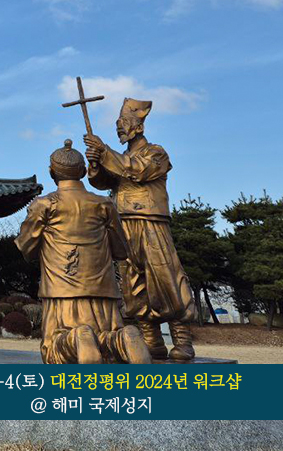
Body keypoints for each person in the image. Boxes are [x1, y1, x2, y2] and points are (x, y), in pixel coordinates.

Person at [16, 140, 151, 365]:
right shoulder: (103, 203)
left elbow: (26, 246)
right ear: (83, 172)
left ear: (51, 172)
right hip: (103, 290)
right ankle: (121, 339)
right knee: (106, 341)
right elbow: (120, 249)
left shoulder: (44, 204)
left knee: (53, 349)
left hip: (61, 290)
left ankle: (75, 338)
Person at [84, 98, 198, 361]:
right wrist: (96, 163)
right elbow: (104, 182)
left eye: (124, 123)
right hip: (122, 222)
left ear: (139, 126)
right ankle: (151, 339)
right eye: (117, 124)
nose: (119, 128)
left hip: (150, 220)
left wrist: (104, 152)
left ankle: (182, 339)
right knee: (131, 281)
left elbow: (138, 171)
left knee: (165, 276)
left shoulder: (156, 153)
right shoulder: (119, 157)